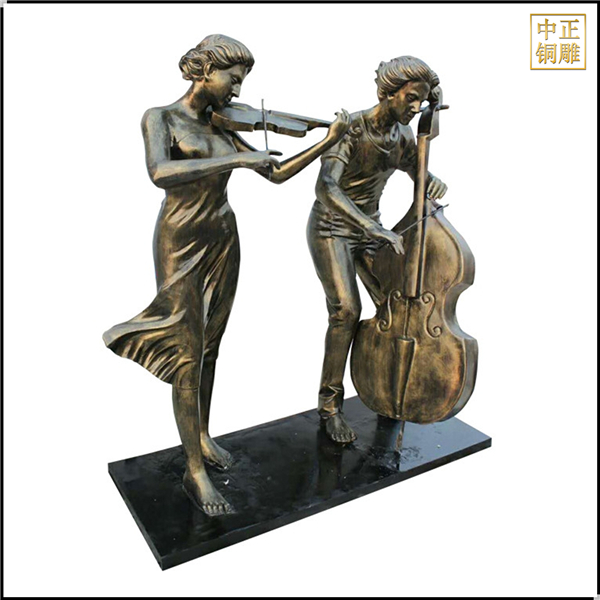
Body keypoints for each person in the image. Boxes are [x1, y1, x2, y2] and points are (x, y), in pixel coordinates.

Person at [103, 34, 350, 516]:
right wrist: (238, 158)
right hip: (180, 242)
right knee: (187, 352)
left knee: (210, 346)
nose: (237, 90)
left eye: (241, 82)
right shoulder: (160, 117)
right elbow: (159, 173)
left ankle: (200, 436)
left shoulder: (222, 122)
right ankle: (194, 470)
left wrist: (328, 140)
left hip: (223, 238)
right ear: (204, 70)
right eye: (233, 79)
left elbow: (275, 173)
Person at [307, 55, 448, 444]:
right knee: (346, 311)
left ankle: (387, 389)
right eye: (410, 98)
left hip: (372, 232)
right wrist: (370, 226)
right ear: (387, 92)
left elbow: (416, 171)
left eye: (421, 101)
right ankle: (330, 406)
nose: (415, 107)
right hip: (332, 229)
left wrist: (431, 179)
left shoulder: (402, 135)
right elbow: (325, 187)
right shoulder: (351, 129)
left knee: (397, 305)